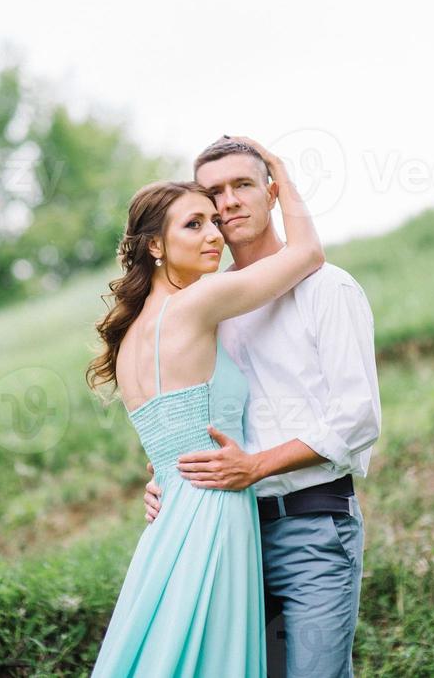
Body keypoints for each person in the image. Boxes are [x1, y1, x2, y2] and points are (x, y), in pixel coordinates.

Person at [86, 136, 325, 677]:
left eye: (213, 222)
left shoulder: (125, 341)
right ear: (154, 246)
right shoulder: (197, 302)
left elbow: (169, 441)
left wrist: (159, 478)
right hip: (216, 510)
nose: (214, 234)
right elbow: (308, 254)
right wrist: (279, 176)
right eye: (193, 224)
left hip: (168, 514)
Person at [143, 136, 382, 678]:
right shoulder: (212, 304)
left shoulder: (329, 289)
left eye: (243, 185)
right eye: (213, 193)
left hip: (313, 526)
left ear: (272, 192)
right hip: (232, 537)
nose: (227, 202)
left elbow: (358, 417)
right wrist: (165, 479)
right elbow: (197, 412)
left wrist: (254, 467)